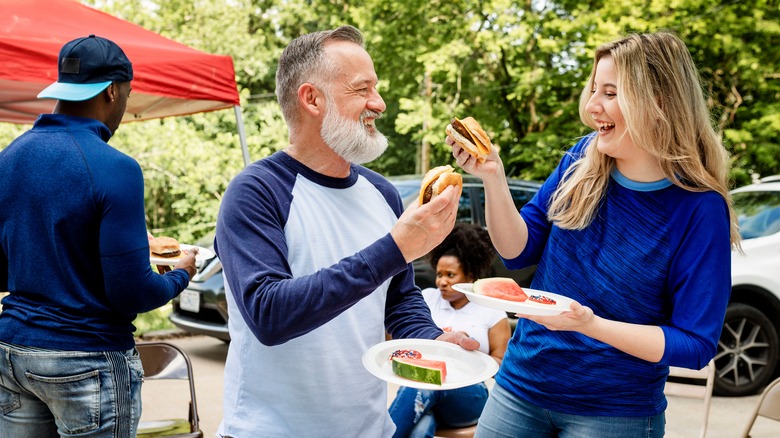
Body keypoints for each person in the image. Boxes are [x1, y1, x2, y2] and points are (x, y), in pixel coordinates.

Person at [447, 32, 741, 438]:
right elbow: (517, 252)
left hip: (615, 414)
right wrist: (493, 177)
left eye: (610, 92)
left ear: (658, 102)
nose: (591, 107)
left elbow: (694, 345)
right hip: (520, 388)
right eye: (593, 89)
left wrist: (591, 325)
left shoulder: (699, 208)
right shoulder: (580, 159)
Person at [213, 25, 477, 438]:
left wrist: (433, 338)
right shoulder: (256, 191)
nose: (379, 103)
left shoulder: (382, 193)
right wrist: (395, 248)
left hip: (371, 429)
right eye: (362, 89)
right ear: (312, 98)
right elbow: (268, 315)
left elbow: (400, 298)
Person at [0, 35, 197, 438]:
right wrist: (181, 272)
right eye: (126, 94)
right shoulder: (115, 167)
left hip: (13, 353)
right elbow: (132, 293)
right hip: (87, 360)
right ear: (111, 91)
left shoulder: (10, 159)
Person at [388, 223, 511, 437]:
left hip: (469, 396)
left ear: (470, 276)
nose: (442, 282)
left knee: (425, 384)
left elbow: (501, 364)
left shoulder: (492, 312)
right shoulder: (426, 298)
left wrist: (469, 355)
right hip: (424, 391)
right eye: (439, 274)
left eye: (450, 275)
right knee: (422, 425)